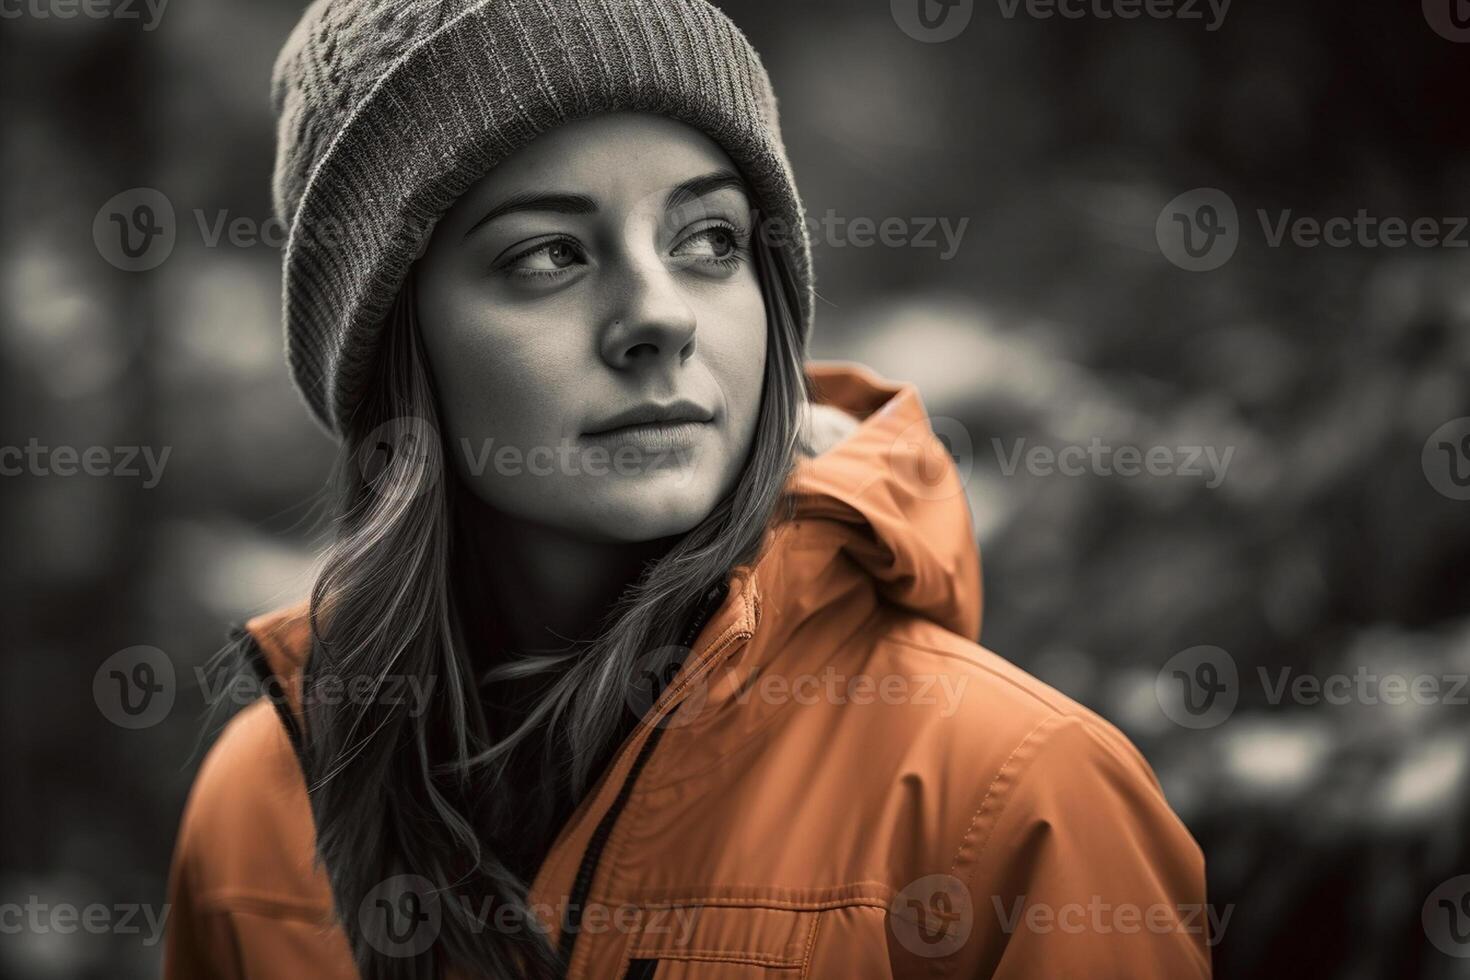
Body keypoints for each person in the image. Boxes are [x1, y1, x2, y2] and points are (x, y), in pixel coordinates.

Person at [163, 1, 1212, 977]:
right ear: (393, 342)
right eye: (549, 253)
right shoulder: (260, 803)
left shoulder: (1016, 796)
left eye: (710, 239)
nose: (661, 315)